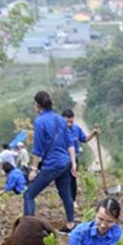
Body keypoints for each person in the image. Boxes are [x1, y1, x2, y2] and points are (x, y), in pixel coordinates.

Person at [24, 91, 77, 233]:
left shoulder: (39, 122)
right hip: (65, 162)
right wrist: (73, 162)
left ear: (37, 105)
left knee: (29, 194)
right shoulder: (60, 119)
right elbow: (69, 141)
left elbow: (37, 149)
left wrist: (34, 169)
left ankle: (28, 229)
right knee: (65, 192)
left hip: (52, 165)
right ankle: (71, 224)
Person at [61, 109, 98, 206]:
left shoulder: (76, 129)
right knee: (63, 180)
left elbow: (84, 139)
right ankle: (65, 199)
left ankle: (72, 200)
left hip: (73, 159)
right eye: (67, 122)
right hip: (61, 159)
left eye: (71, 121)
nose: (69, 124)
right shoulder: (58, 130)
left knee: (72, 179)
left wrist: (93, 133)